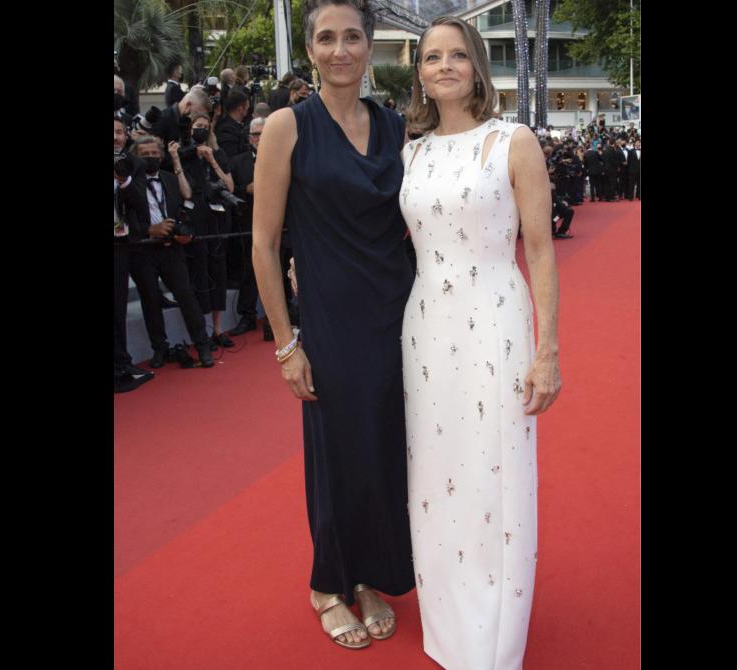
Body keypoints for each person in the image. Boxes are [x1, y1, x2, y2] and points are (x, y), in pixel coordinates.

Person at [251, 0, 414, 651]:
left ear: (369, 46)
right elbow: (264, 245)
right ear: (311, 49)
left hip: (400, 318)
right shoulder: (289, 127)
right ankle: (328, 583)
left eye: (352, 37)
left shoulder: (395, 126)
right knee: (337, 457)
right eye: (326, 38)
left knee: (384, 455)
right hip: (330, 322)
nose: (340, 49)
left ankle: (369, 575)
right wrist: (287, 342)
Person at [400, 15, 561, 670]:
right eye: (431, 56)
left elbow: (543, 253)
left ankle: (494, 639)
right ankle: (447, 616)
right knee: (436, 475)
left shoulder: (512, 141)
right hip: (425, 329)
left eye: (456, 56)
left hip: (495, 319)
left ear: (477, 67)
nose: (443, 66)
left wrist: (547, 351)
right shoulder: (411, 150)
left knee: (494, 472)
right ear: (420, 71)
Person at [126, 135, 217, 368]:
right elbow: (124, 219)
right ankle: (160, 348)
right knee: (150, 300)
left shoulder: (168, 178)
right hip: (142, 250)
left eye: (154, 154)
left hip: (171, 248)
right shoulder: (127, 183)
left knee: (186, 295)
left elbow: (184, 202)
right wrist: (148, 229)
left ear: (161, 155)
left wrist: (181, 231)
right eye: (143, 155)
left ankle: (203, 345)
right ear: (135, 158)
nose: (149, 158)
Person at [179, 111, 238, 349]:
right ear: (190, 129)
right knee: (200, 270)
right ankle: (202, 330)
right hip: (196, 217)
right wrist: (192, 153)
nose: (201, 130)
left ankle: (218, 328)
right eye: (197, 126)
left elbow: (231, 186)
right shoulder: (184, 155)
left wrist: (212, 159)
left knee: (218, 269)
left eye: (204, 126)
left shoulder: (219, 153)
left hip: (218, 219)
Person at [115, 116, 156, 392]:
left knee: (117, 307)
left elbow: (141, 203)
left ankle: (121, 363)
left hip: (119, 244)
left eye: (119, 132)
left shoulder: (135, 165)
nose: (115, 137)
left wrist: (125, 181)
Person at [228, 116, 265, 337]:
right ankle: (247, 316)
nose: (259, 138)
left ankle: (278, 320)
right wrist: (245, 189)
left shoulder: (285, 158)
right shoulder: (238, 161)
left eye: (264, 134)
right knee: (249, 272)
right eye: (256, 134)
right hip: (248, 225)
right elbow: (231, 191)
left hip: (281, 226)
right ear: (250, 137)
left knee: (281, 273)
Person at [215, 88, 251, 159]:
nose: (248, 109)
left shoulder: (236, 125)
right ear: (241, 109)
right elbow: (232, 157)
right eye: (247, 107)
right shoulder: (226, 129)